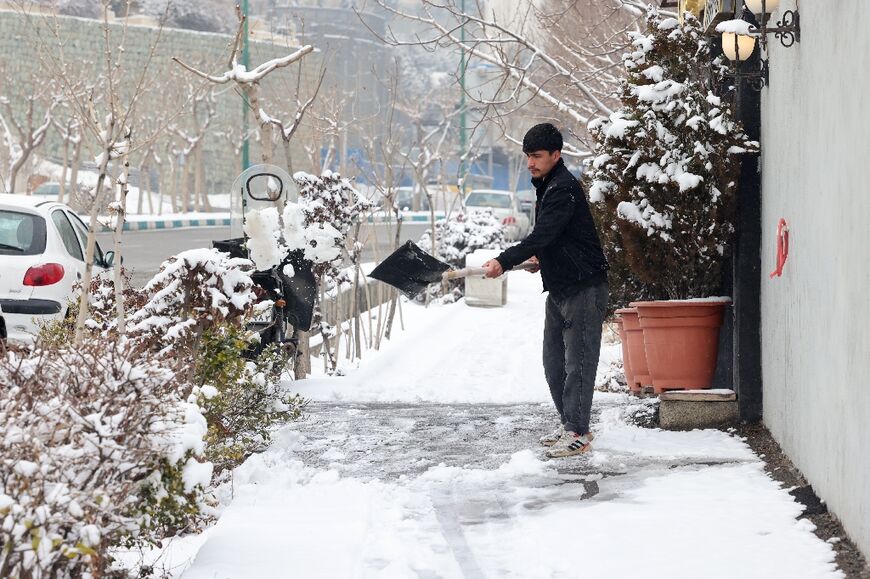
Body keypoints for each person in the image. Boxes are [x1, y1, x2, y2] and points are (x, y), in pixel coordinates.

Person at [482, 123, 609, 458]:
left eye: (536, 156)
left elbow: (543, 234)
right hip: (560, 287)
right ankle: (570, 424)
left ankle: (578, 432)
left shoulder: (563, 188)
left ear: (556, 154)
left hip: (584, 286)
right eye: (527, 156)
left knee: (578, 363)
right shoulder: (549, 185)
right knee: (553, 362)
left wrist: (504, 260)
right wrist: (543, 256)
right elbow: (555, 237)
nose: (530, 163)